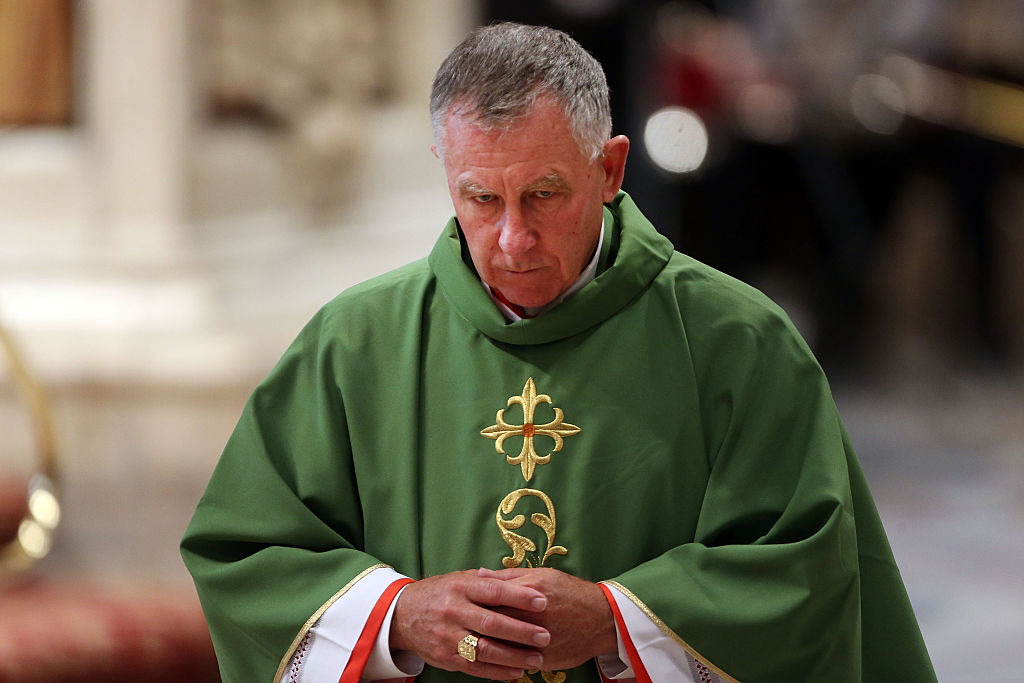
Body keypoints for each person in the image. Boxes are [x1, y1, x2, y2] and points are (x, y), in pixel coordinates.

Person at [181, 22, 937, 683]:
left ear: (609, 170)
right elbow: (248, 552)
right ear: (446, 177)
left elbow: (804, 575)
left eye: (543, 195)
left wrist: (619, 620)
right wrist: (396, 614)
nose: (512, 239)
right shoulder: (351, 343)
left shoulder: (739, 341)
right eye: (481, 198)